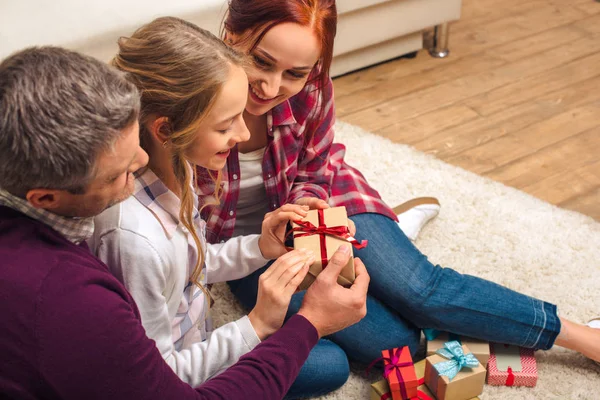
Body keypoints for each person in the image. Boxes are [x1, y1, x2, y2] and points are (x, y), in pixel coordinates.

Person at [192, 0, 600, 395]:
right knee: (391, 346)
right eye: (261, 62)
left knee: (420, 291)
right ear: (232, 32)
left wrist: (310, 215)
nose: (272, 87)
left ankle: (583, 336)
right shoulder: (188, 100)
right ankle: (395, 233)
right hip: (252, 247)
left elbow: (315, 169)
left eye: (294, 73)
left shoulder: (311, 87)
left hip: (326, 202)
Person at [0, 45, 369, 400]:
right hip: (186, 365)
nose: (141, 159)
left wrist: (260, 246)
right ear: (47, 198)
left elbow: (191, 262)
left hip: (195, 334)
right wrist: (259, 324)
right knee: (332, 364)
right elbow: (169, 376)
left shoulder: (171, 168)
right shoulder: (116, 257)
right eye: (118, 174)